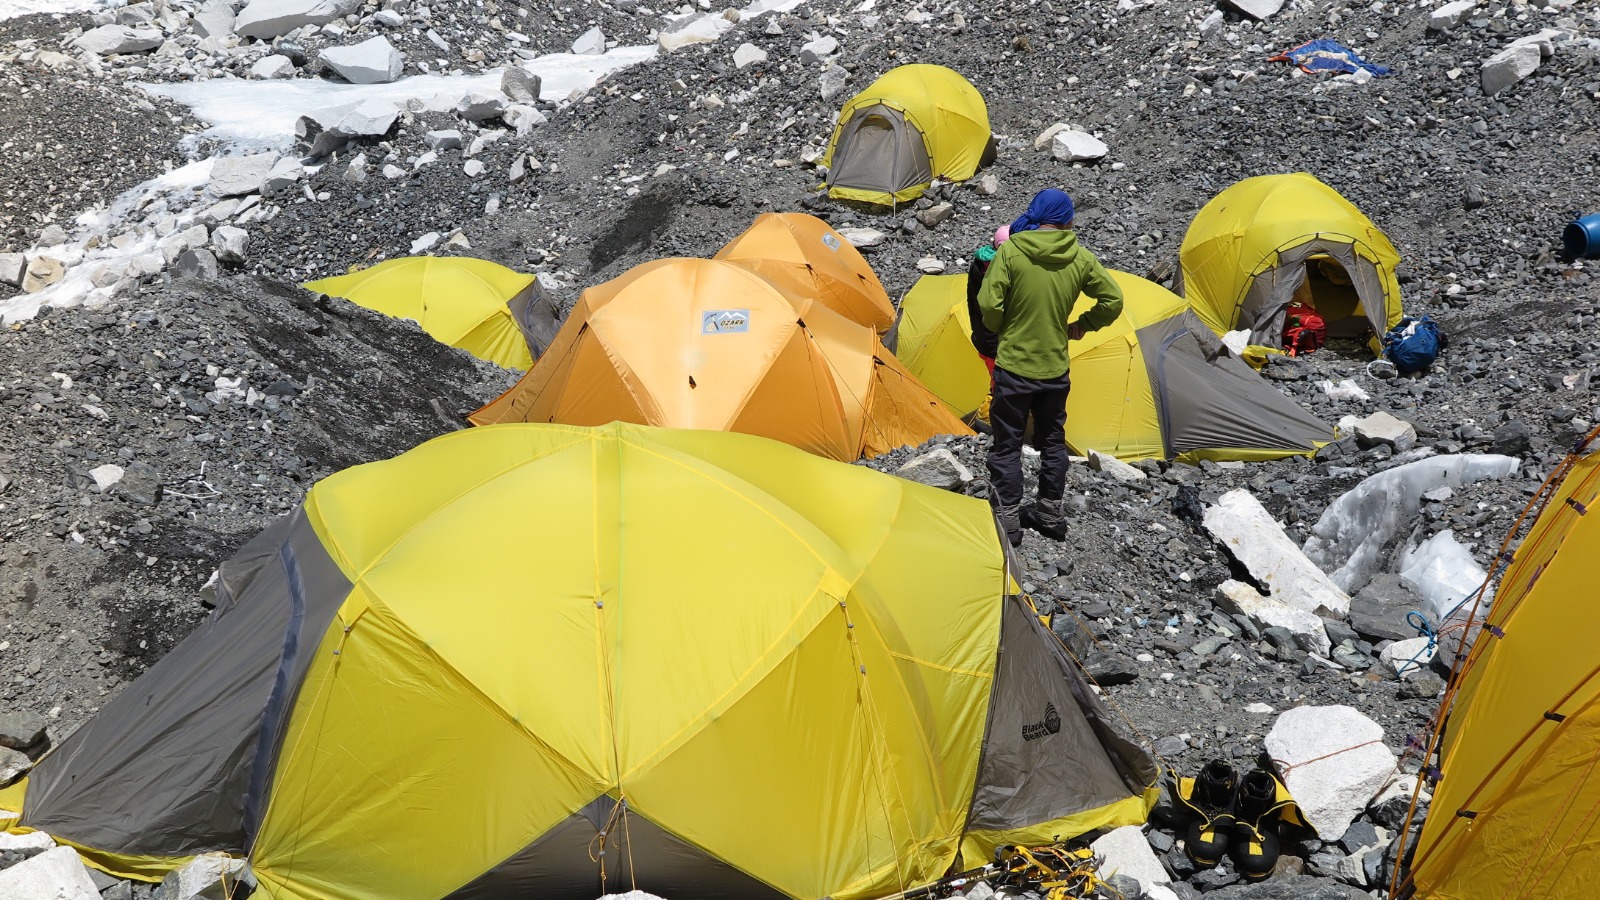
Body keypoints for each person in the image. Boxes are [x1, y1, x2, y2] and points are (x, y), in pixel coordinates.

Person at [978, 188, 1123, 546]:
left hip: (1014, 366)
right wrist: (1084, 324)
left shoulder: (1011, 251)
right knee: (1053, 441)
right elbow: (1113, 300)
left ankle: (1008, 519)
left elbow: (989, 303)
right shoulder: (1081, 257)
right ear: (1066, 220)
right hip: (1055, 369)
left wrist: (1003, 328)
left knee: (1008, 442)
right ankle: (1049, 512)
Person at [965, 225, 1010, 378]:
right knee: (1000, 381)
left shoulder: (978, 264)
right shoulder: (1000, 269)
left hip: (983, 339)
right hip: (997, 345)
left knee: (996, 380)